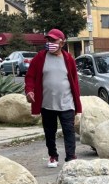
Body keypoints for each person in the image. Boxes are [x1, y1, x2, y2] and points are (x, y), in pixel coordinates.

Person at [24, 29, 82, 168]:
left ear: (62, 42)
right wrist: (29, 91)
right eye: (48, 40)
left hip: (66, 102)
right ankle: (53, 156)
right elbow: (30, 77)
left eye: (54, 40)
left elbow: (74, 81)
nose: (50, 43)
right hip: (47, 103)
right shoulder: (40, 57)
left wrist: (77, 103)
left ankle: (70, 158)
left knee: (69, 131)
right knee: (50, 132)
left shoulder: (68, 59)